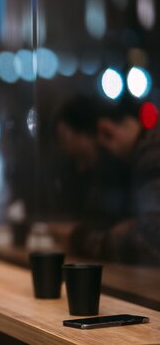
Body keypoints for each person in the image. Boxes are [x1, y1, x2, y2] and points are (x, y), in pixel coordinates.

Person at [54, 95, 160, 265]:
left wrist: (85, 241)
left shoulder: (152, 156)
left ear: (106, 131)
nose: (81, 168)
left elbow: (150, 240)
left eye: (82, 157)